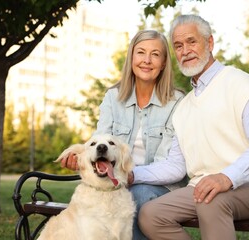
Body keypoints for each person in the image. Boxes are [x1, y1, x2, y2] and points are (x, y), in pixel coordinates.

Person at [138, 14, 249, 240]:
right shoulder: (183, 107)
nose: (185, 50)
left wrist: (227, 177)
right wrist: (131, 175)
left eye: (191, 41)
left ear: (210, 43)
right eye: (178, 45)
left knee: (211, 200)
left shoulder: (237, 81)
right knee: (151, 214)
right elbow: (176, 166)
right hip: (202, 188)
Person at [61, 30, 187, 240]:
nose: (147, 60)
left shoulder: (177, 102)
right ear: (131, 58)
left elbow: (174, 167)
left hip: (160, 188)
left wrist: (131, 176)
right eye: (141, 52)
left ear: (164, 62)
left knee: (137, 196)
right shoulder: (113, 97)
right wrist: (81, 158)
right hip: (116, 183)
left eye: (155, 54)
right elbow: (100, 142)